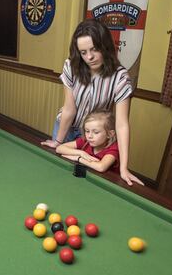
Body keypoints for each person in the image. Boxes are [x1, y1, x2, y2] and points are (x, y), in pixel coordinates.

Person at [40, 19, 143, 186]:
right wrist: (58, 141)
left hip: (92, 135)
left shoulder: (120, 76)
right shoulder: (71, 66)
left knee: (81, 181)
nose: (89, 57)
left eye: (94, 49)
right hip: (65, 127)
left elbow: (122, 124)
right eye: (83, 52)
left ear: (105, 46)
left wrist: (124, 168)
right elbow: (69, 109)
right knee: (56, 175)